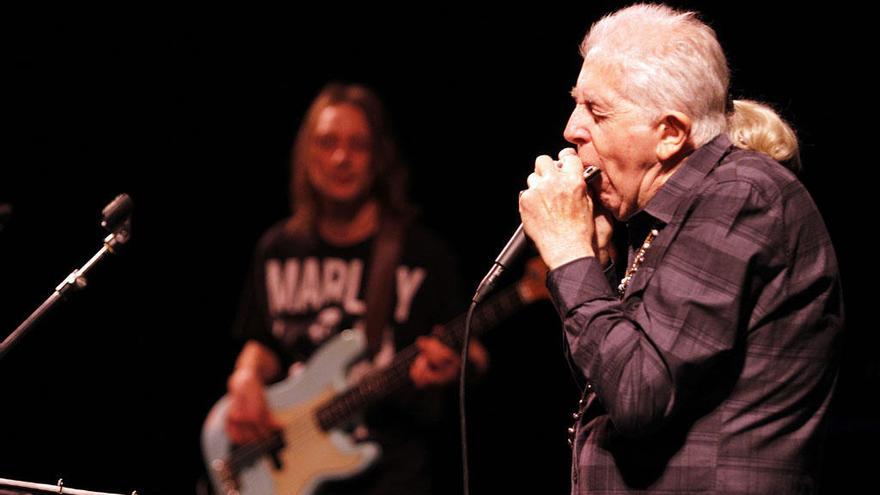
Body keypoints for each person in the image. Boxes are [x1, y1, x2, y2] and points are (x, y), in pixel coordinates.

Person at [518, 4, 843, 493]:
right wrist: (597, 264)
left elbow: (638, 393)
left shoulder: (740, 195)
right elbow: (609, 376)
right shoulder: (659, 221)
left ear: (670, 133)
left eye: (596, 111)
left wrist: (568, 254)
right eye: (576, 102)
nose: (571, 129)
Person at [225, 82, 487, 494]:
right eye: (327, 142)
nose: (341, 158)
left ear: (378, 157)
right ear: (306, 154)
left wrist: (456, 369)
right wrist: (244, 378)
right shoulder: (277, 248)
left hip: (394, 475)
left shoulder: (421, 253)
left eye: (358, 145)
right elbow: (263, 340)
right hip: (294, 467)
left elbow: (473, 352)